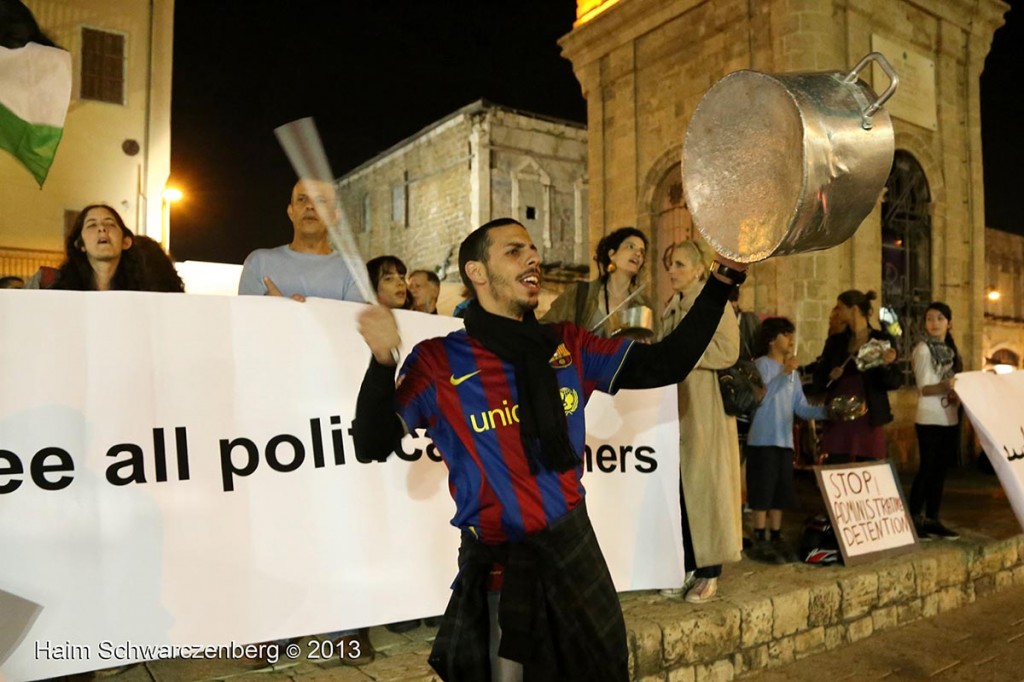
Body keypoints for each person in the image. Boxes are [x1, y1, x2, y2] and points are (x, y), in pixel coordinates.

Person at [353, 218, 748, 681]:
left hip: (571, 543)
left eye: (533, 249)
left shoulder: (569, 344)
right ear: (478, 272)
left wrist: (723, 279)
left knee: (604, 670)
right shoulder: (439, 362)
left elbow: (668, 362)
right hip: (498, 561)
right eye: (514, 251)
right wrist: (381, 363)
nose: (533, 257)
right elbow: (371, 443)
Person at [657, 240, 741, 604]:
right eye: (669, 265)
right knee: (681, 489)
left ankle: (710, 572)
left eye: (678, 264)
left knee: (706, 488)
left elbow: (728, 351)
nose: (671, 271)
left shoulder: (712, 305)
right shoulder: (670, 308)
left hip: (705, 411)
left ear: (698, 269)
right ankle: (687, 563)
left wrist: (682, 354)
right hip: (677, 411)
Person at [745, 317, 828, 564]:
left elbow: (800, 407)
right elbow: (760, 398)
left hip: (784, 441)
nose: (791, 340)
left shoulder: (791, 372)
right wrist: (785, 373)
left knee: (780, 491)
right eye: (786, 334)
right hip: (762, 439)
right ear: (772, 339)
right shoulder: (761, 366)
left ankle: (776, 535)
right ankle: (761, 537)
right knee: (762, 489)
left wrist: (828, 411)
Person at [238, 178, 364, 302]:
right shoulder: (259, 263)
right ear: (290, 211)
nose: (309, 206)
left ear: (334, 216)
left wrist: (286, 312)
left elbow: (351, 320)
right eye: (302, 199)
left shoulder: (353, 268)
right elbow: (244, 318)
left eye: (320, 201)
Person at [812, 290, 900, 463]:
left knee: (867, 462)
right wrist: (831, 375)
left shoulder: (881, 339)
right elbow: (820, 377)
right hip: (840, 410)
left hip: (869, 412)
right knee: (837, 461)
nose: (836, 312)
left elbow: (893, 381)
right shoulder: (835, 342)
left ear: (853, 310)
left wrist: (886, 364)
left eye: (840, 307)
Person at [909, 302, 962, 540]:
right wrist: (946, 386)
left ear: (948, 323)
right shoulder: (923, 350)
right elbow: (923, 388)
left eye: (939, 318)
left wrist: (957, 394)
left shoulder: (950, 350)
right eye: (929, 318)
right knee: (927, 469)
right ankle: (913, 519)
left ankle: (932, 518)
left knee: (940, 471)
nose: (934, 323)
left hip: (948, 417)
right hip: (929, 417)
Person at [542, 227, 653, 337]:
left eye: (642, 252)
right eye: (631, 247)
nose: (638, 254)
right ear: (612, 254)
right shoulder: (579, 293)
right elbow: (545, 329)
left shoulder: (643, 304)